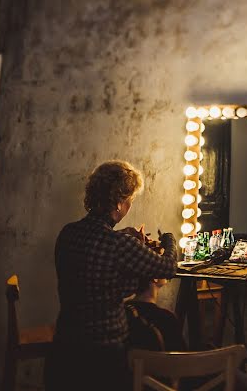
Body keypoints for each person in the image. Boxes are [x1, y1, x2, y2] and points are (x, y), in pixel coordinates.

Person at [44, 160, 177, 391]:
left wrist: (124, 238)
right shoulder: (119, 244)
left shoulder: (68, 233)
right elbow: (167, 268)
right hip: (104, 357)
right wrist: (169, 240)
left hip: (65, 348)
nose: (129, 207)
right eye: (129, 201)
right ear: (118, 202)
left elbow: (94, 277)